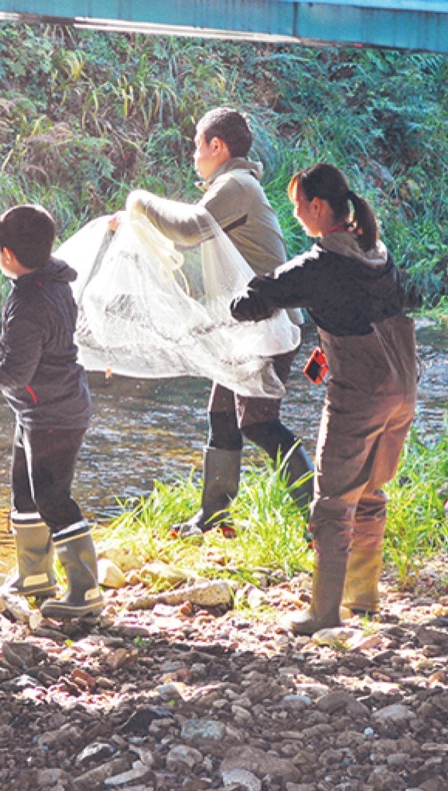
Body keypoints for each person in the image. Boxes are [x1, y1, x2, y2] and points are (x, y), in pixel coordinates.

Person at [231, 163, 418, 635]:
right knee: (371, 491)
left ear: (316, 206)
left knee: (333, 500)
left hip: (361, 393)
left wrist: (225, 290)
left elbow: (251, 301)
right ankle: (364, 600)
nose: (295, 215)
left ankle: (323, 614)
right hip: (404, 387)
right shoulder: (375, 249)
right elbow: (364, 312)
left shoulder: (319, 265)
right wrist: (322, 353)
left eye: (296, 206)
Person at [117, 107, 312, 536]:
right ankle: (214, 516)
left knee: (257, 422)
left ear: (217, 147)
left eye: (196, 146)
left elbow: (187, 229)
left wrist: (140, 200)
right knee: (222, 417)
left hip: (268, 327)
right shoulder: (234, 186)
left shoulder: (236, 185)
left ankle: (319, 514)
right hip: (248, 329)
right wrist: (130, 222)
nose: (194, 155)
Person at [0, 204, 104, 621]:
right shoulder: (54, 282)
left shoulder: (28, 301)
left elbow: (15, 371)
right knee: (24, 494)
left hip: (53, 417)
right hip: (42, 410)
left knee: (52, 498)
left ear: (7, 255)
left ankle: (84, 590)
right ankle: (35, 576)